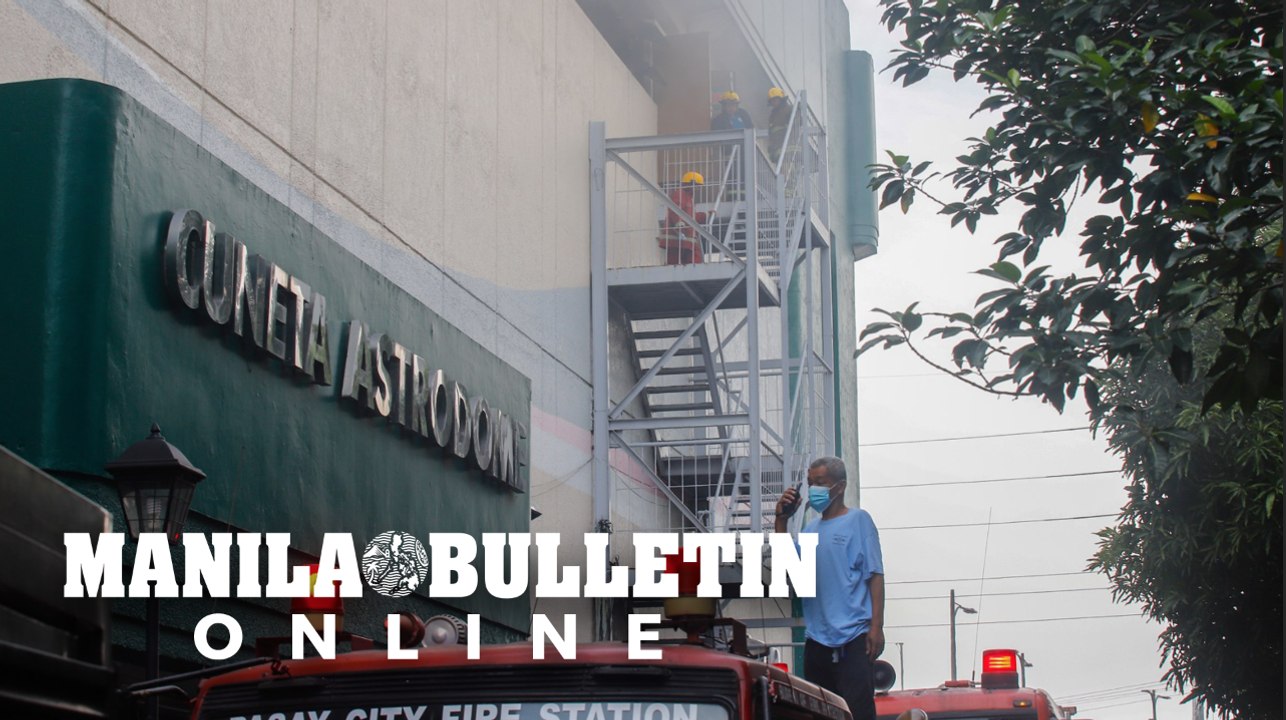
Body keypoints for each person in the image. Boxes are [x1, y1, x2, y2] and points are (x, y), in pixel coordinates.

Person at [775, 456, 885, 720]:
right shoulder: (809, 531)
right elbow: (791, 574)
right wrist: (781, 521)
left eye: (820, 483)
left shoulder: (859, 521)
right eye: (811, 483)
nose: (814, 490)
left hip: (854, 640)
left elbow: (875, 576)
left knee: (857, 714)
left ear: (840, 486)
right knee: (819, 715)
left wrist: (876, 627)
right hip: (817, 643)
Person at [658, 171, 707, 265]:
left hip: (685, 237)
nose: (697, 189)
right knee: (674, 262)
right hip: (676, 237)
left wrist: (705, 215)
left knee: (692, 260)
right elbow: (675, 209)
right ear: (690, 183)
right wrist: (679, 222)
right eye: (696, 186)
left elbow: (690, 217)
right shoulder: (679, 194)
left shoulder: (688, 198)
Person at [766, 87, 793, 164]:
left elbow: (796, 124)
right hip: (778, 148)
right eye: (772, 101)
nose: (773, 103)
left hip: (788, 146)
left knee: (788, 168)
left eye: (775, 100)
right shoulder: (773, 115)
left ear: (781, 99)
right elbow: (772, 132)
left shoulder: (789, 110)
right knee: (783, 170)